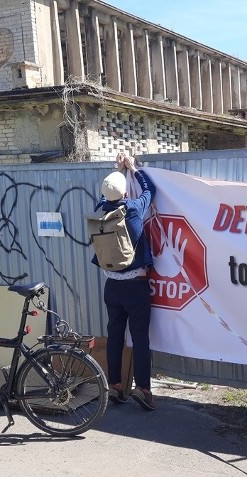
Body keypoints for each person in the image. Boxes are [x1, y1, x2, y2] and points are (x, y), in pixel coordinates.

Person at [93, 152, 157, 411]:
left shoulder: (101, 210)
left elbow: (105, 195)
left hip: (112, 286)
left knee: (115, 336)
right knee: (140, 338)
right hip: (136, 286)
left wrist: (118, 171)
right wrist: (133, 169)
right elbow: (149, 190)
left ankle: (115, 385)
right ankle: (142, 388)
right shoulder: (132, 209)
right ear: (124, 193)